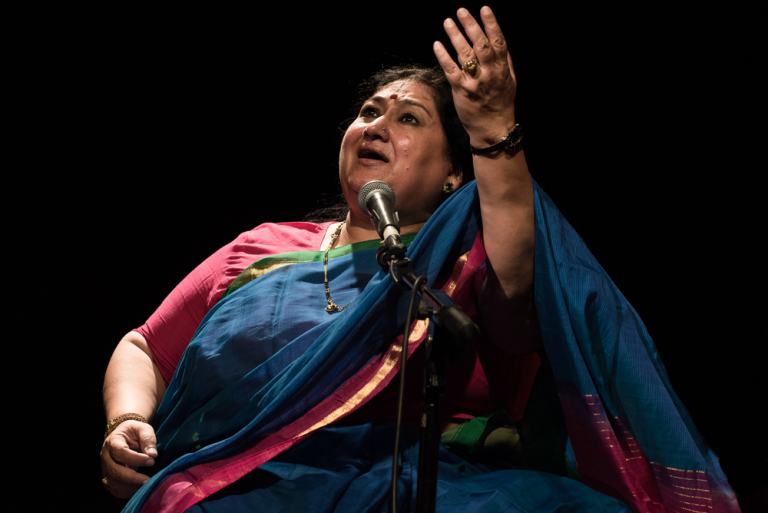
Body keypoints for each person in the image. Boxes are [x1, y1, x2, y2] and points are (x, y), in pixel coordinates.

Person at [101, 7, 740, 512]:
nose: (375, 125)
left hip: (444, 487)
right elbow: (146, 347)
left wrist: (493, 130)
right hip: (250, 484)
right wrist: (127, 419)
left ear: (453, 177)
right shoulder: (264, 247)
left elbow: (518, 313)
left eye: (407, 117)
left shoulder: (469, 255)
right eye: (367, 111)